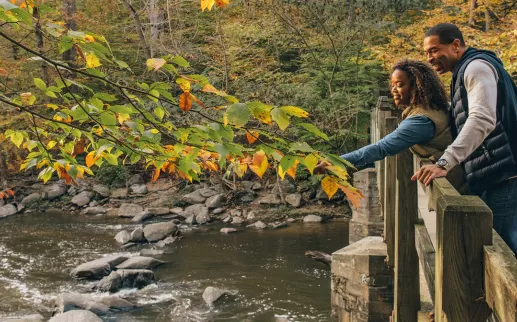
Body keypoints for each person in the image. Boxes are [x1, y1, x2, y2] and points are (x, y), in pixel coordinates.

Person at [413, 23, 517, 254]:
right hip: (498, 172)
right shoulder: (466, 71)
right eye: (426, 53)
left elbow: (482, 119)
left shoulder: (476, 68)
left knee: (504, 249)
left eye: (434, 50)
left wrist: (444, 162)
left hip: (507, 173)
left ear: (456, 45)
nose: (430, 58)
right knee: (498, 246)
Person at [316, 59, 466, 191]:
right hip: (460, 180)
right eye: (392, 85)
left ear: (417, 86)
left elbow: (381, 148)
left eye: (400, 84)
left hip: (457, 188)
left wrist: (335, 162)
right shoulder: (439, 107)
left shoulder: (421, 120)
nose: (393, 89)